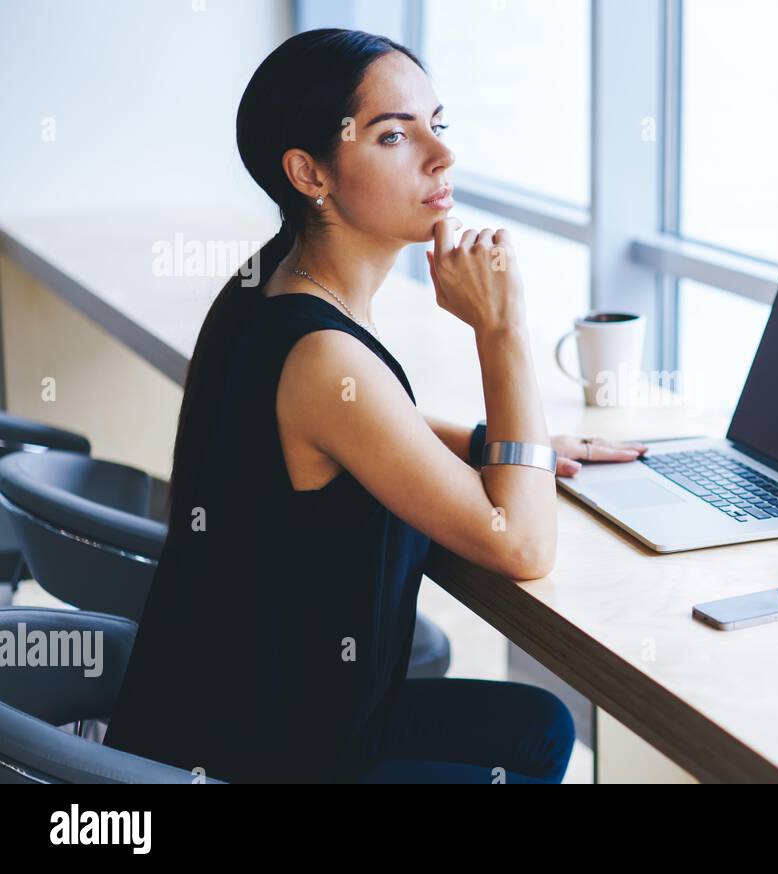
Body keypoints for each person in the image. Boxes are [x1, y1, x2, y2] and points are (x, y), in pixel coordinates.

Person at [104, 28, 645, 783]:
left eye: (437, 124)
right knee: (534, 735)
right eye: (394, 135)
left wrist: (503, 443)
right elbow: (522, 547)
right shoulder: (324, 353)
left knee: (535, 729)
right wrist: (502, 330)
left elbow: (355, 424)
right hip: (275, 758)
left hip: (225, 714)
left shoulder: (267, 284)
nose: (441, 156)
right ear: (309, 173)